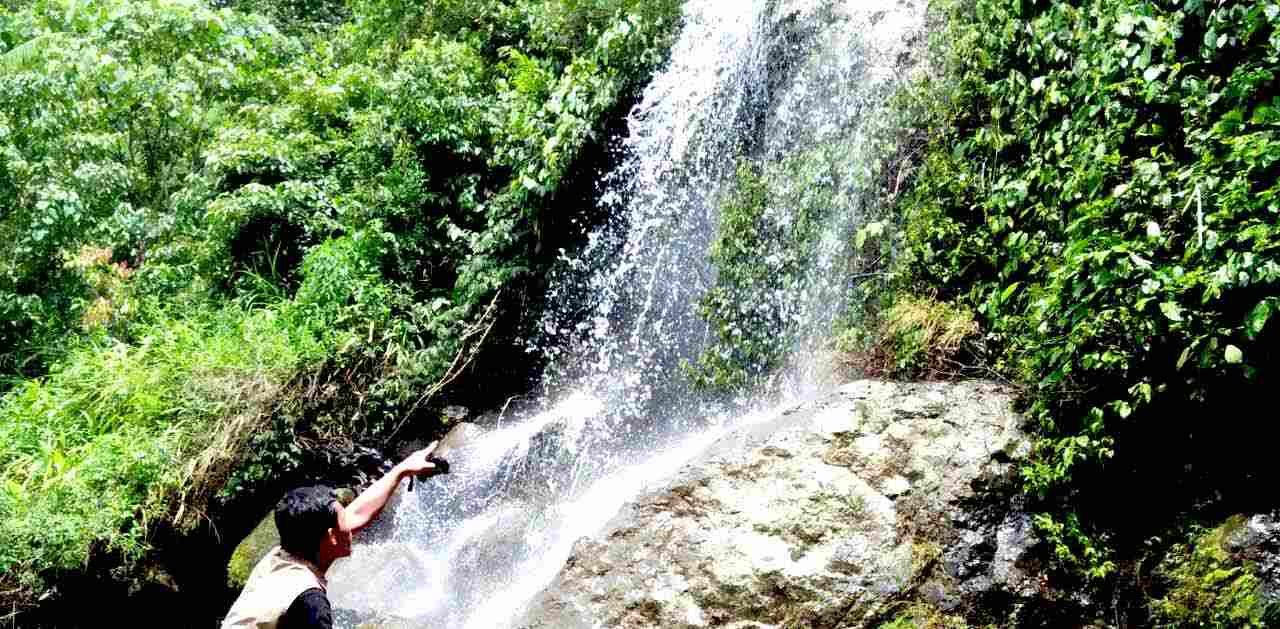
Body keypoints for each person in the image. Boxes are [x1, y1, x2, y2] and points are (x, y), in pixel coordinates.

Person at [221, 442, 445, 629]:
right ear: (331, 537)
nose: (351, 523)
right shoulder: (310, 603)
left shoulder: (279, 556)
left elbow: (357, 513)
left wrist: (402, 470)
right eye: (343, 520)